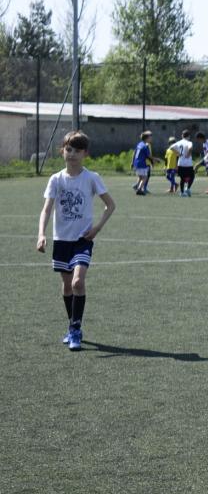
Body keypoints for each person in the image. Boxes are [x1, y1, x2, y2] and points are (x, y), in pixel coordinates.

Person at [36, 131, 116, 351]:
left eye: (77, 150)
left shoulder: (91, 178)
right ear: (62, 151)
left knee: (77, 282)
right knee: (67, 286)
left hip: (83, 239)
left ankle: (75, 329)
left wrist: (97, 228)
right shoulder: (56, 179)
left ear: (85, 154)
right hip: (62, 240)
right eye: (69, 149)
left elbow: (110, 205)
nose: (72, 154)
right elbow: (46, 209)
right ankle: (72, 324)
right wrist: (41, 234)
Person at [169, 129, 195, 197]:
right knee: (192, 176)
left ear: (182, 136)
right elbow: (190, 148)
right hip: (188, 164)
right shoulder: (189, 142)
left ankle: (182, 192)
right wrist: (188, 154)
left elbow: (171, 147)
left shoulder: (179, 142)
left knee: (182, 178)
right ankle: (188, 188)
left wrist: (178, 153)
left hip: (180, 163)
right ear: (189, 136)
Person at [131, 131, 153, 195]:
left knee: (141, 177)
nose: (151, 138)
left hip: (137, 162)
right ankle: (140, 189)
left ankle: (137, 186)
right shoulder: (146, 145)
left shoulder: (139, 144)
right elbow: (148, 156)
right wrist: (154, 160)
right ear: (146, 138)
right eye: (150, 137)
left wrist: (132, 162)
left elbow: (135, 153)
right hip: (143, 163)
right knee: (145, 177)